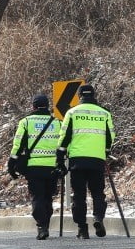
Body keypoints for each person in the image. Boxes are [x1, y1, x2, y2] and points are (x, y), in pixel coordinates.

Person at [56, 84, 115, 239]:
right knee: (97, 193)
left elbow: (64, 137)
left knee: (79, 195)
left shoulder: (72, 113)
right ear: (94, 95)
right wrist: (106, 151)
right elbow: (110, 136)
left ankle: (82, 228)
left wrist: (60, 158)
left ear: (79, 96)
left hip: (77, 160)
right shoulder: (104, 113)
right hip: (97, 159)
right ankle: (98, 218)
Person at [7, 94, 63, 240]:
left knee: (37, 197)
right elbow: (63, 144)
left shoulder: (25, 122)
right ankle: (46, 224)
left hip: (33, 166)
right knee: (48, 197)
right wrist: (62, 164)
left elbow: (17, 145)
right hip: (52, 167)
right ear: (48, 105)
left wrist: (12, 164)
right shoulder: (57, 122)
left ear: (33, 106)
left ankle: (41, 226)